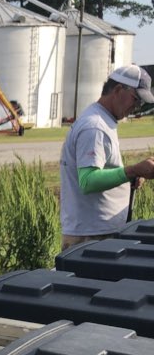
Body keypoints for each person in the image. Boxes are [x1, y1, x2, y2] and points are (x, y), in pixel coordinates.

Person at [59, 64, 154, 251]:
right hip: (90, 236)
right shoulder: (95, 126)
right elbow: (88, 181)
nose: (137, 107)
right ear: (118, 90)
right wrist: (131, 171)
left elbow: (102, 169)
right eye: (136, 99)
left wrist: (129, 177)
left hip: (96, 231)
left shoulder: (103, 120)